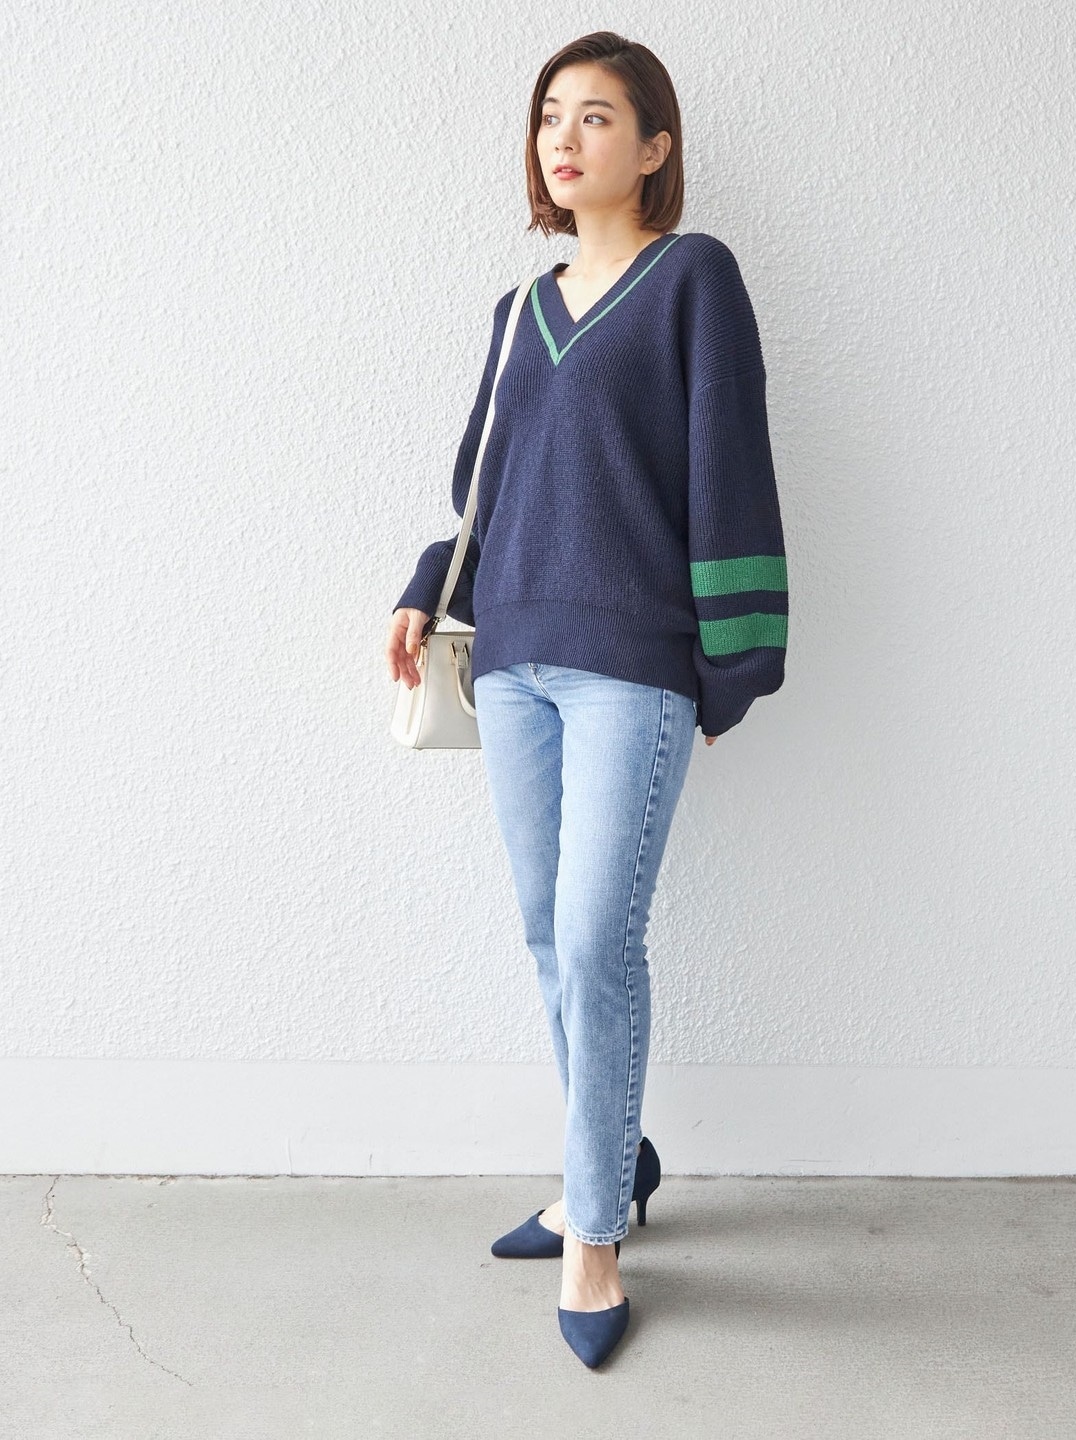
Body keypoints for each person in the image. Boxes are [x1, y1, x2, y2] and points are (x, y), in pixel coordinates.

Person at [384, 30, 788, 1368]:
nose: (566, 137)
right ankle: (610, 1157)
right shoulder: (520, 308)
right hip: (511, 659)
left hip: (634, 663)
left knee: (598, 934)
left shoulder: (694, 278)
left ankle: (595, 1232)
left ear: (655, 146)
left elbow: (730, 466)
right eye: (551, 115)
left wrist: (734, 661)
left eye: (599, 116)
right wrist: (425, 587)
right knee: (547, 936)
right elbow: (487, 490)